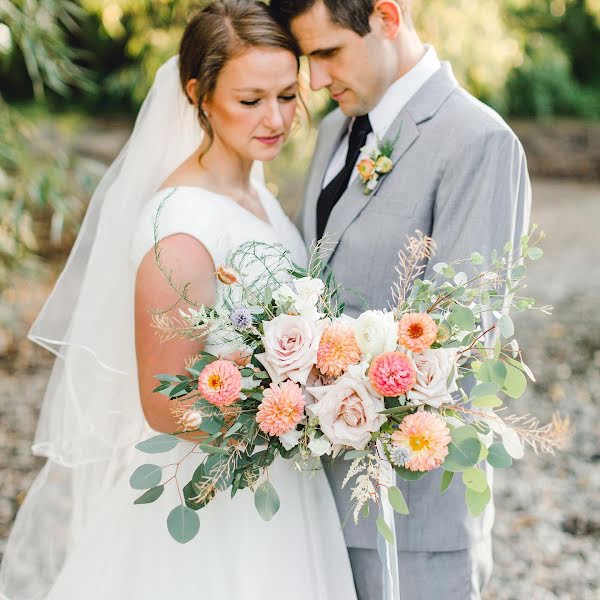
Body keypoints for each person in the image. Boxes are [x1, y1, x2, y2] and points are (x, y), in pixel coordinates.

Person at [0, 2, 357, 599]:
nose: (276, 118)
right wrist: (294, 414)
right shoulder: (181, 222)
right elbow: (166, 403)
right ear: (200, 95)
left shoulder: (259, 196)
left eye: (287, 95)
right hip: (217, 494)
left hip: (283, 476)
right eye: (250, 100)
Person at [269, 0, 532, 599]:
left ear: (387, 16)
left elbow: (459, 343)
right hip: (312, 504)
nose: (314, 80)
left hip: (410, 517)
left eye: (328, 52)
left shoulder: (479, 141)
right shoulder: (339, 130)